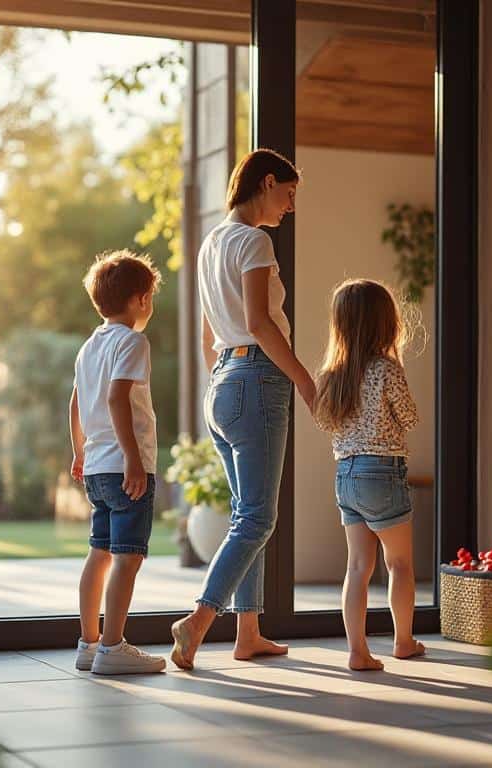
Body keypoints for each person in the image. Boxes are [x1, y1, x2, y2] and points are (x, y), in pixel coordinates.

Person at [170, 149, 311, 670]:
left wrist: (224, 381)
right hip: (256, 380)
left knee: (246, 514)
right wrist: (304, 380)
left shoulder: (211, 243)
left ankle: (248, 632)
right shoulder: (254, 241)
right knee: (257, 517)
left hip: (223, 382)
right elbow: (258, 322)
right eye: (288, 194)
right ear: (267, 182)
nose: (290, 206)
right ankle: (198, 620)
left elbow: (210, 332)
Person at [312, 279, 425, 671]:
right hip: (382, 473)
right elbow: (409, 417)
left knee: (358, 568)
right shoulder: (385, 369)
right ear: (385, 322)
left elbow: (328, 423)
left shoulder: (333, 374)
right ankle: (404, 641)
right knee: (400, 564)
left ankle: (357, 651)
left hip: (346, 475)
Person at [69, 250, 166, 674]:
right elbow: (116, 398)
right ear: (141, 299)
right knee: (128, 557)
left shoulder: (89, 346)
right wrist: (133, 459)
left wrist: (79, 451)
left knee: (100, 553)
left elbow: (76, 403)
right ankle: (112, 648)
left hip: (96, 466)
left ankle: (89, 644)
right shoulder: (133, 341)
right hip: (124, 467)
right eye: (151, 297)